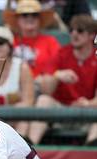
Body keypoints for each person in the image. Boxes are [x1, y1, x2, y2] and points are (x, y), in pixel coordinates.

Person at [27, 14, 97, 145]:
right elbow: (46, 90)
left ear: (92, 35)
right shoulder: (61, 54)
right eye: (71, 30)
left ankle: (91, 153)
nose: (74, 34)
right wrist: (57, 75)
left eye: (80, 30)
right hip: (61, 110)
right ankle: (30, 150)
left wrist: (87, 104)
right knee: (43, 100)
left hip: (87, 113)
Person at [3, 0, 60, 91]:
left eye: (34, 15)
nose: (30, 18)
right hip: (13, 88)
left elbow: (58, 66)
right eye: (24, 15)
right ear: (17, 20)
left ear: (40, 19)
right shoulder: (9, 41)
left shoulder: (50, 41)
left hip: (41, 88)